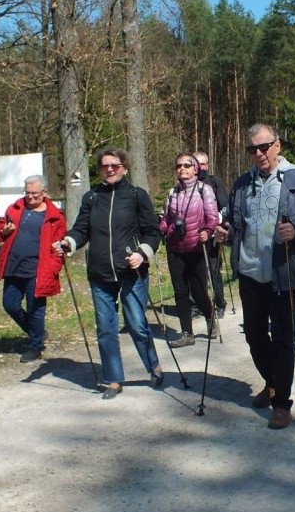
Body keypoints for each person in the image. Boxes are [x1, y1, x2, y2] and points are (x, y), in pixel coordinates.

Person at [214, 123, 295, 430]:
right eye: (252, 149)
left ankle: (281, 404)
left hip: (283, 274)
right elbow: (238, 226)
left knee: (283, 340)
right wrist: (224, 234)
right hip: (250, 273)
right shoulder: (241, 185)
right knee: (253, 335)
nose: (259, 153)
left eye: (264, 146)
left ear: (278, 145)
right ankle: (272, 381)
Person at [55, 149, 164, 399]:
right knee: (105, 328)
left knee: (136, 324)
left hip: (131, 272)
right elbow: (81, 229)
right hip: (100, 274)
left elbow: (153, 232)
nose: (110, 169)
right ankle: (114, 379)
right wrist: (68, 243)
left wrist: (142, 253)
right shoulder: (91, 197)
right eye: (105, 166)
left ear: (124, 168)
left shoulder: (137, 195)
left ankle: (153, 365)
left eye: (115, 165)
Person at [0, 175, 67, 363]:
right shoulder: (16, 208)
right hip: (14, 266)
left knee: (36, 309)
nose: (30, 197)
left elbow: (59, 246)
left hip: (38, 269)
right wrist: (5, 231)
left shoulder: (54, 216)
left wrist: (53, 267)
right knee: (10, 305)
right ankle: (37, 333)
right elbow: (1, 229)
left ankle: (35, 346)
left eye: (34, 194)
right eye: (27, 193)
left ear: (44, 192)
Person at [159, 152, 220, 348]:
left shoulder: (205, 190)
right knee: (180, 292)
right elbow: (166, 218)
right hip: (175, 248)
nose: (182, 168)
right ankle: (187, 333)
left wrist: (208, 231)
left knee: (199, 291)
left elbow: (212, 217)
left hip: (196, 247)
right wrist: (164, 229)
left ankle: (210, 316)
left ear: (196, 169)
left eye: (187, 165)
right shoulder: (172, 192)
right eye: (179, 166)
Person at [194, 151, 228, 320]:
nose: (201, 167)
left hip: (213, 233)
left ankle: (219, 303)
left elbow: (225, 206)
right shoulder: (186, 184)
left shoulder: (215, 182)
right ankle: (198, 305)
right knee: (195, 271)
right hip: (193, 236)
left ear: (207, 165)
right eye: (197, 163)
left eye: (203, 164)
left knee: (214, 270)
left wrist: (218, 223)